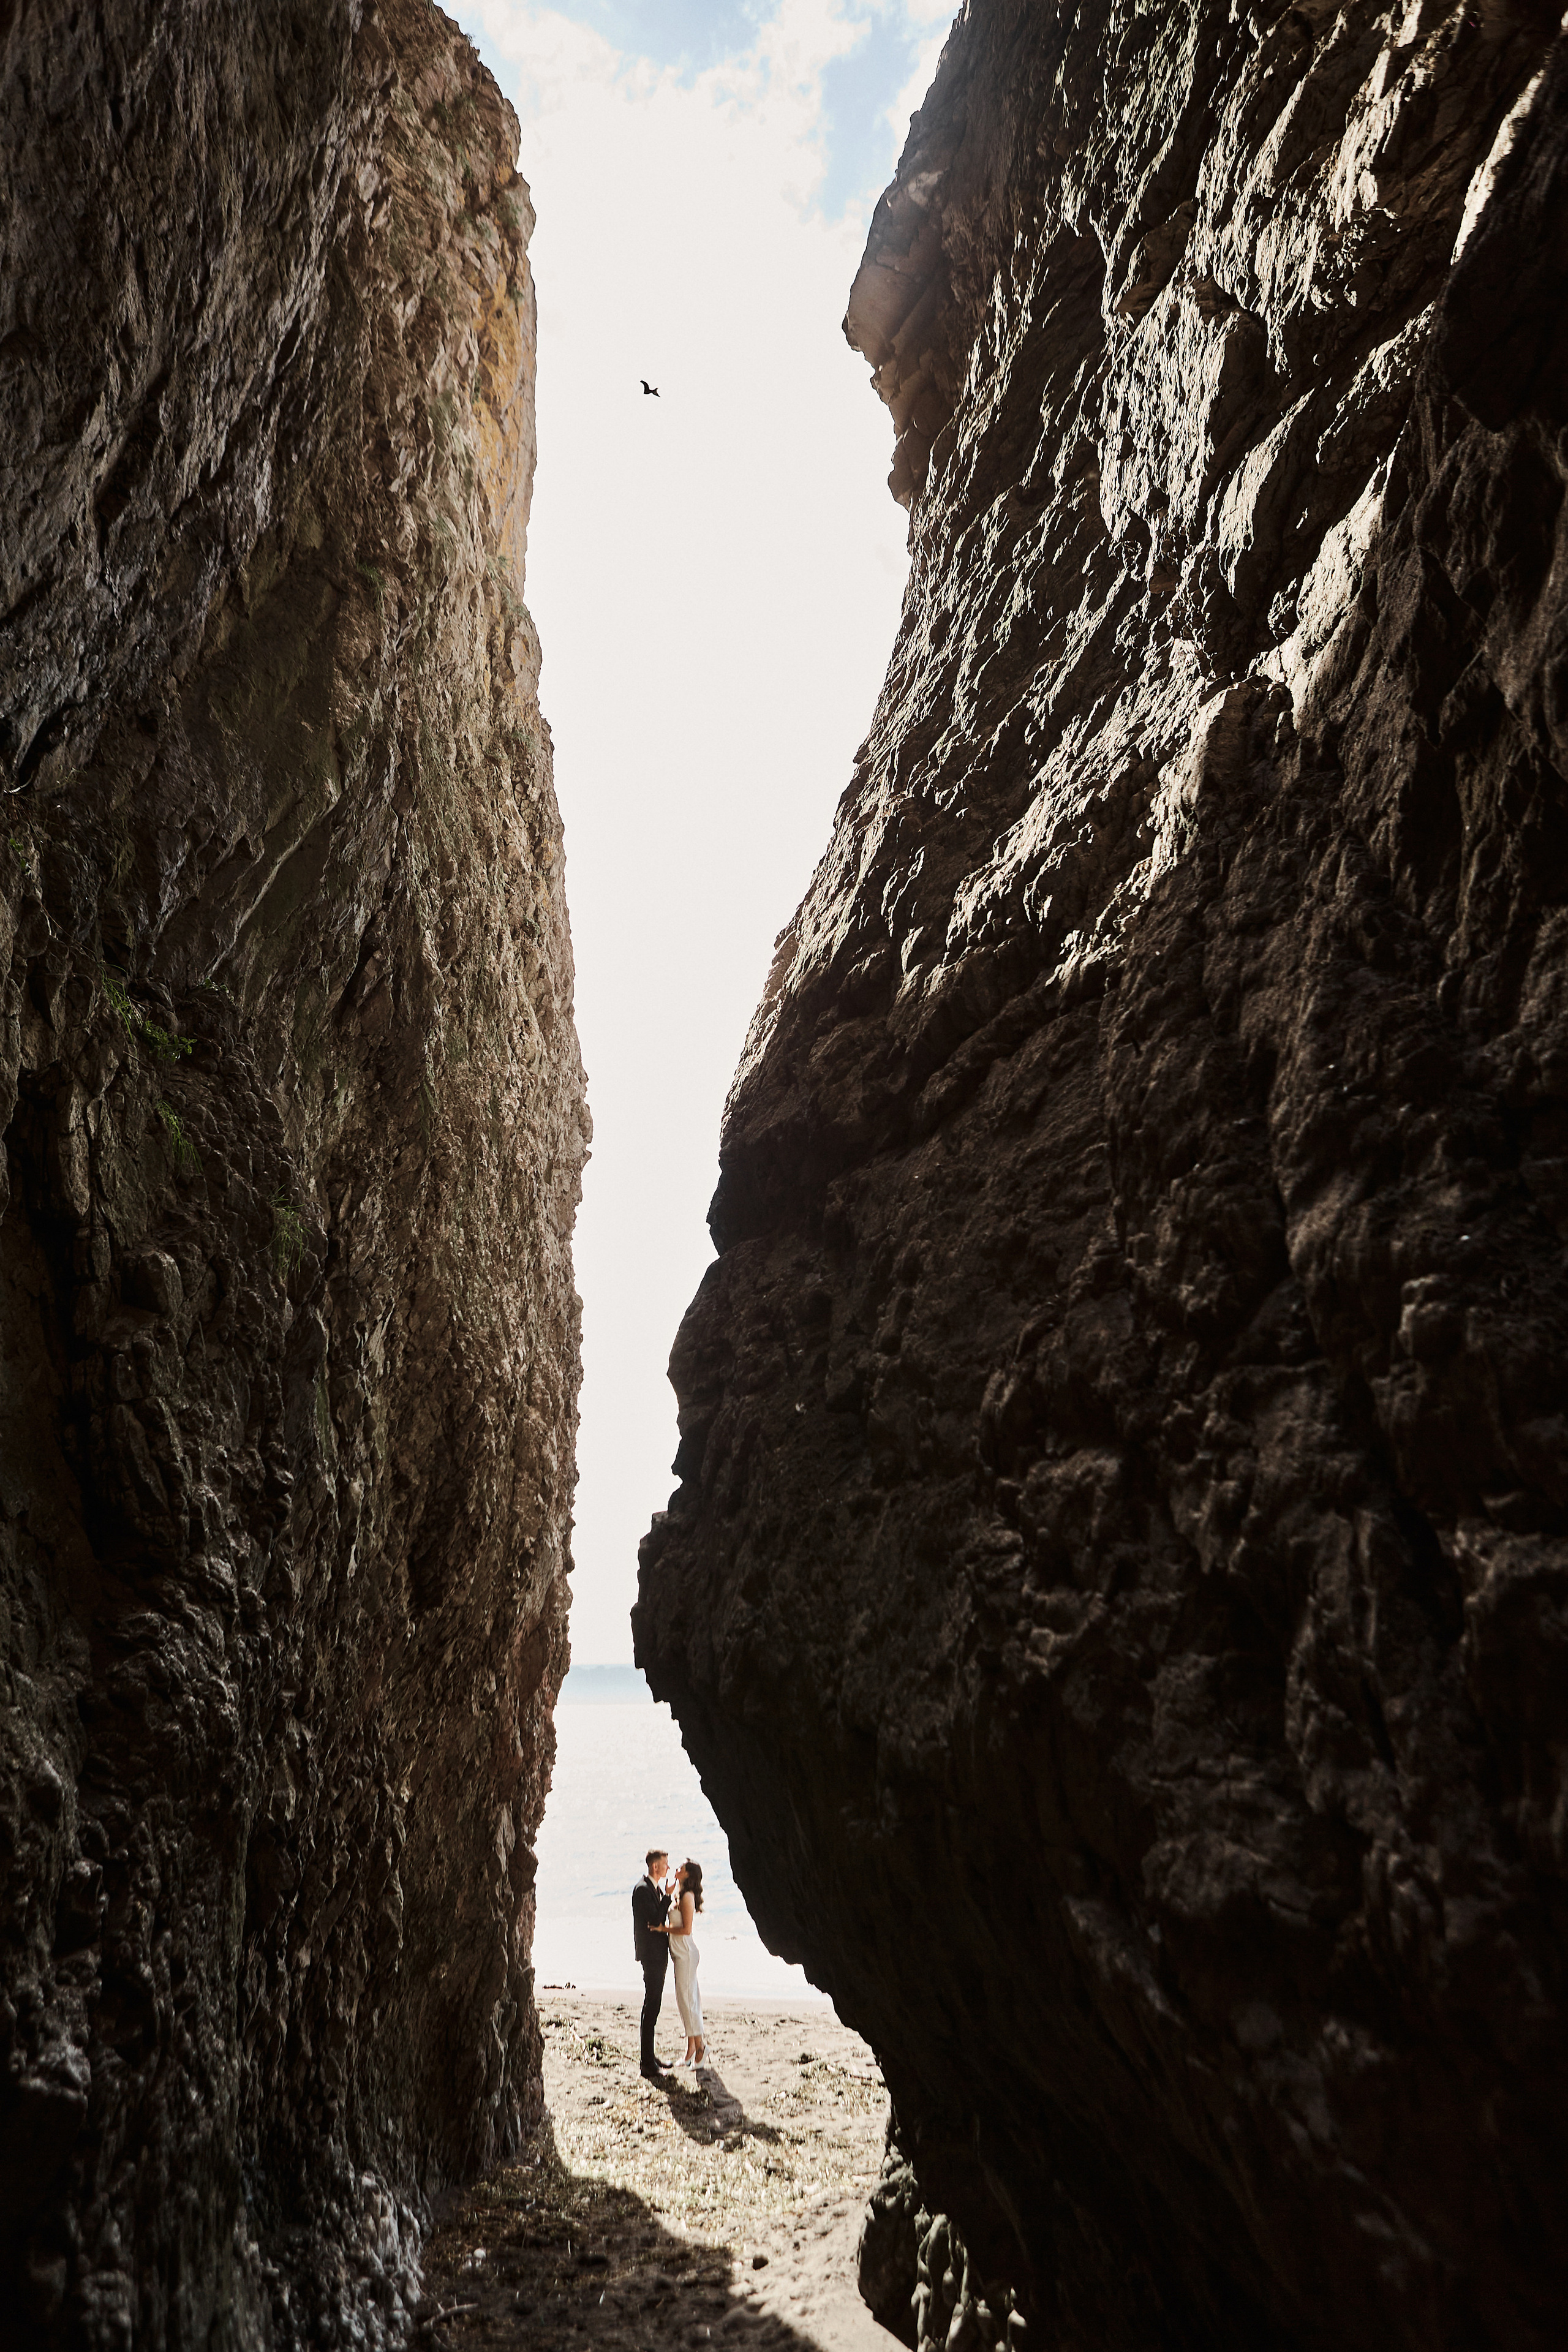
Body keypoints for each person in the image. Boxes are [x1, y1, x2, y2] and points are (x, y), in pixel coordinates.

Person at [631, 1847, 673, 2081]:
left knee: (653, 2006)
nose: (668, 1867)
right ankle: (647, 2063)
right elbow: (656, 1919)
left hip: (657, 1953)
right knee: (651, 2006)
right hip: (651, 1955)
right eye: (666, 1864)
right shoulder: (642, 1890)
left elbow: (658, 1920)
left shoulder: (651, 1888)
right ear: (655, 1866)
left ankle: (650, 2057)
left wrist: (664, 1898)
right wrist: (667, 1897)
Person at [666, 1858, 706, 2070]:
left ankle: (701, 2048)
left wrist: (662, 1930)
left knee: (688, 2003)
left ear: (688, 1875)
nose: (677, 1868)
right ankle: (690, 2050)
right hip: (680, 1954)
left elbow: (686, 1930)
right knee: (686, 2002)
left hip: (686, 1954)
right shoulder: (679, 1895)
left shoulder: (688, 1897)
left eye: (681, 1868)